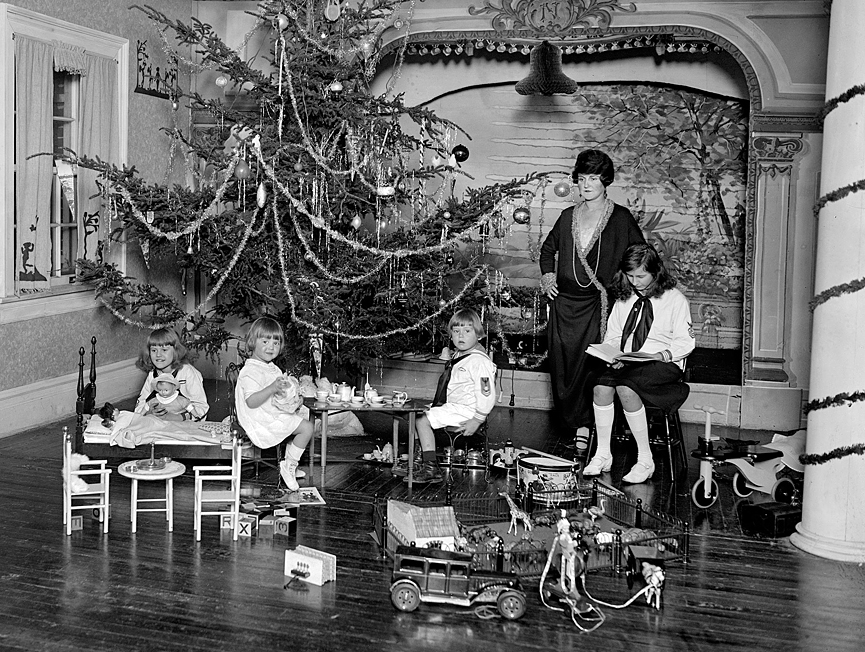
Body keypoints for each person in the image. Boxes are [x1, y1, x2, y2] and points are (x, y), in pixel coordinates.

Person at [540, 149, 645, 451]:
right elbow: (548, 252)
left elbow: (640, 255)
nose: (586, 185)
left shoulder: (621, 218)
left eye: (594, 179)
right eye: (582, 178)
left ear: (605, 181)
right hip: (564, 308)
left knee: (591, 368)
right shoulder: (567, 216)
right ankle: (572, 422)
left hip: (599, 307)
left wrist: (629, 290)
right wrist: (548, 278)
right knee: (563, 369)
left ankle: (585, 427)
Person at [584, 243, 694, 483]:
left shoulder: (675, 300)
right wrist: (612, 354)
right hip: (629, 360)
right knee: (601, 386)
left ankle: (645, 459)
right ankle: (603, 454)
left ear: (655, 272)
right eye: (630, 276)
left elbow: (685, 343)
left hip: (664, 361)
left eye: (641, 276)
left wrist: (660, 355)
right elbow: (613, 334)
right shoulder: (625, 298)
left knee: (626, 387)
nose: (635, 282)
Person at [410, 308, 497, 484]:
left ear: (478, 335)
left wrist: (477, 419)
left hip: (468, 411)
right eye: (456, 332)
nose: (461, 336)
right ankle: (419, 461)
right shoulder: (460, 355)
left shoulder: (478, 361)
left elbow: (487, 394)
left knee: (422, 420)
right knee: (416, 414)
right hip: (455, 406)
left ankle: (430, 468)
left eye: (467, 331)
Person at [234, 317, 313, 491]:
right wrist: (272, 388)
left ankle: (291, 462)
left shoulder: (271, 367)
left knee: (304, 415)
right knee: (307, 428)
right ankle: (289, 465)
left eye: (276, 343)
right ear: (253, 342)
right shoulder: (250, 371)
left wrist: (293, 398)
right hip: (259, 417)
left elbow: (280, 392)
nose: (271, 347)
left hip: (271, 411)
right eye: (265, 341)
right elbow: (252, 401)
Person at [134, 328, 209, 421]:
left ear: (176, 351)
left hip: (184, 423)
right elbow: (140, 405)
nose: (158, 355)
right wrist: (149, 413)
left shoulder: (188, 372)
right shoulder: (153, 374)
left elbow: (201, 407)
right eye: (154, 350)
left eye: (164, 350)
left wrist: (181, 417)